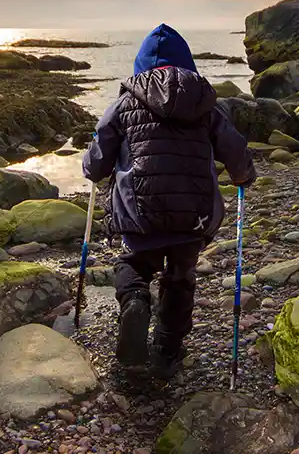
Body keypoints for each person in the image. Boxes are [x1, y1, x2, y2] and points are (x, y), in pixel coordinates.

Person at [82, 23, 256, 379]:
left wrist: (92, 170)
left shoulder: (125, 102)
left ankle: (134, 300)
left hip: (140, 210)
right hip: (192, 213)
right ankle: (167, 350)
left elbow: (99, 158)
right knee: (180, 277)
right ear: (187, 62)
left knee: (135, 263)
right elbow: (234, 149)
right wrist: (242, 176)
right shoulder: (206, 103)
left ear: (140, 64)